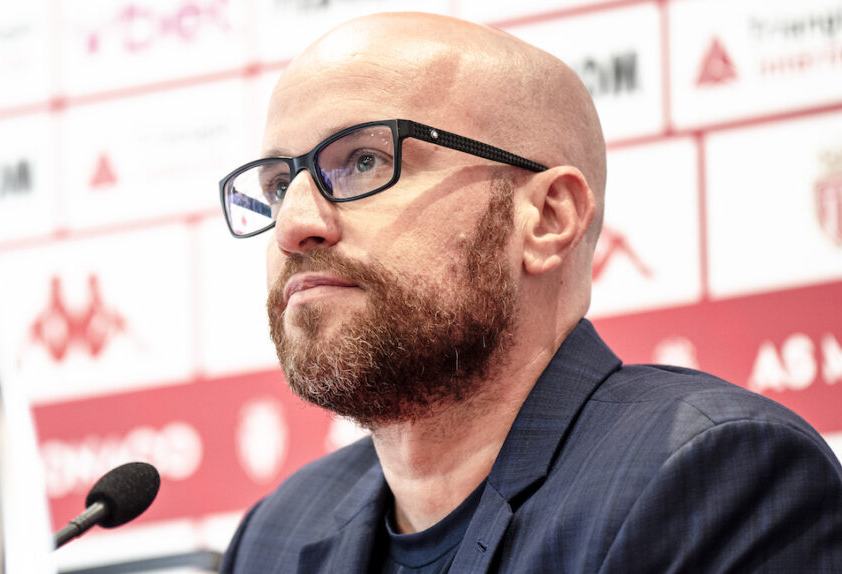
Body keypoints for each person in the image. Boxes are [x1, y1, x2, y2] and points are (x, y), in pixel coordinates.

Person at [216, 11, 842, 573]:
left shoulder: (712, 476)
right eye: (278, 187)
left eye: (364, 161)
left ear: (546, 219)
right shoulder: (275, 537)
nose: (293, 225)